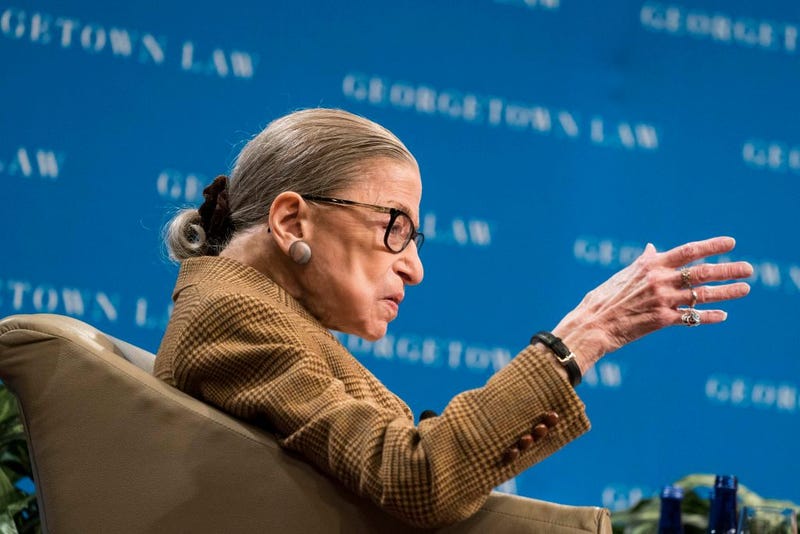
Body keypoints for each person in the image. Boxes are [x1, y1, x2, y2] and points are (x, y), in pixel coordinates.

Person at [154, 108, 753, 528]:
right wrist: (583, 336)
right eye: (396, 226)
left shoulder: (259, 315)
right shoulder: (234, 316)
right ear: (291, 222)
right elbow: (416, 478)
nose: (415, 268)